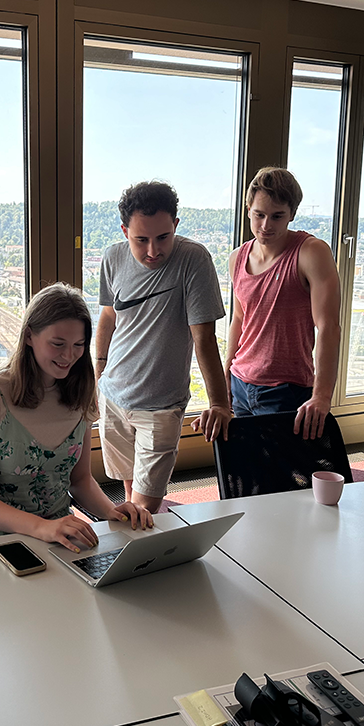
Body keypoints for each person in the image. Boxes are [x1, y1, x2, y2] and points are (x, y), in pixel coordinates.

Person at [0, 283, 153, 553]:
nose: (69, 356)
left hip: (62, 538)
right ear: (29, 337)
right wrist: (41, 527)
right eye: (57, 344)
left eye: (78, 345)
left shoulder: (82, 392)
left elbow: (80, 479)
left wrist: (113, 512)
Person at [95, 181, 230, 515]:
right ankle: (135, 561)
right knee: (129, 498)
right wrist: (96, 377)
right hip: (113, 396)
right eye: (141, 240)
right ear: (125, 230)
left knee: (145, 504)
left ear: (176, 226)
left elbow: (204, 338)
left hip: (161, 406)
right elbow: (108, 320)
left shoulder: (193, 260)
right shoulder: (112, 258)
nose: (153, 250)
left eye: (162, 237)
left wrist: (219, 403)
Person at [224, 166, 341, 440]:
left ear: (292, 215)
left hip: (286, 388)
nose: (266, 226)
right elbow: (240, 319)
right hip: (241, 381)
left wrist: (322, 397)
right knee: (249, 472)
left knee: (284, 477)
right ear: (248, 210)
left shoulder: (311, 252)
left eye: (277, 216)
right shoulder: (237, 258)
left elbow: (329, 327)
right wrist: (225, 372)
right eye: (259, 215)